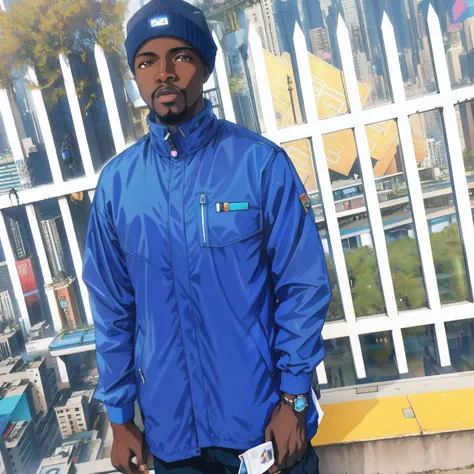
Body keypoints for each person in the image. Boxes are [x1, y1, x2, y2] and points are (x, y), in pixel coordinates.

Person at [82, 0, 331, 473]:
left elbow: (303, 287)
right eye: (147, 61)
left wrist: (295, 399)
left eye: (180, 56)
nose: (164, 74)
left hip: (263, 426)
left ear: (205, 67)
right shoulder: (117, 186)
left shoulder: (259, 164)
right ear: (135, 76)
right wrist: (119, 418)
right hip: (171, 438)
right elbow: (113, 311)